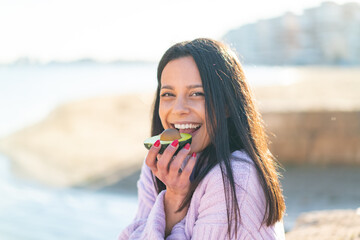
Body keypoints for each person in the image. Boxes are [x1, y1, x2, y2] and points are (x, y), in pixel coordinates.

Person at [119, 38, 286, 239]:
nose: (179, 109)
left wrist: (172, 206)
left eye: (197, 93)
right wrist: (172, 200)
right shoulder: (156, 169)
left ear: (226, 105)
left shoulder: (235, 177)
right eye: (168, 94)